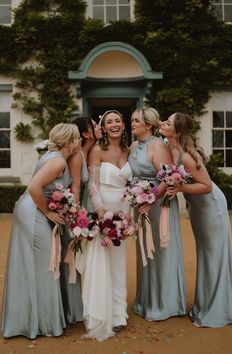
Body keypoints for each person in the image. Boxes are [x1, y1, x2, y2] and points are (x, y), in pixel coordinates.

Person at [1, 123, 80, 339]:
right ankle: (44, 323)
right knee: (47, 265)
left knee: (37, 265)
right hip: (34, 212)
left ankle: (33, 319)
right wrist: (47, 213)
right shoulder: (57, 161)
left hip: (30, 209)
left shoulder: (53, 156)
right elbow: (34, 187)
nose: (80, 141)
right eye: (78, 138)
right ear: (70, 141)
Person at [159, 112, 232, 328]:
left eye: (168, 122)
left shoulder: (185, 156)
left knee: (214, 258)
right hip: (198, 209)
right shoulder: (170, 148)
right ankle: (205, 305)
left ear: (176, 131)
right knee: (205, 256)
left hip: (211, 207)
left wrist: (179, 187)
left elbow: (207, 185)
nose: (163, 123)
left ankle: (217, 311)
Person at [128, 107, 186, 321]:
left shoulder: (158, 146)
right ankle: (146, 300)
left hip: (158, 205)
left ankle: (164, 303)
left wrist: (149, 200)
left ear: (149, 124)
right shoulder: (134, 146)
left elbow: (167, 178)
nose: (132, 123)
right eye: (132, 119)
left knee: (161, 250)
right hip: (140, 204)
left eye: (136, 120)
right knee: (144, 249)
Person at [78, 110, 132, 341]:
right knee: (102, 263)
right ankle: (102, 312)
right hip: (103, 211)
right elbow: (93, 186)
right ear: (103, 126)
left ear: (123, 125)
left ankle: (119, 314)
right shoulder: (97, 150)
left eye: (117, 121)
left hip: (125, 211)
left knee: (119, 263)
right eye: (108, 122)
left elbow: (133, 181)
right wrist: (100, 210)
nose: (114, 125)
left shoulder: (129, 150)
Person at [60, 117, 102, 324]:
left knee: (78, 256)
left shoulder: (91, 150)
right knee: (71, 255)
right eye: (94, 126)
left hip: (83, 208)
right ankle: (71, 309)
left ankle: (77, 305)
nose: (99, 127)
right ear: (86, 134)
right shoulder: (77, 155)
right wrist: (77, 217)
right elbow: (73, 189)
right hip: (73, 210)